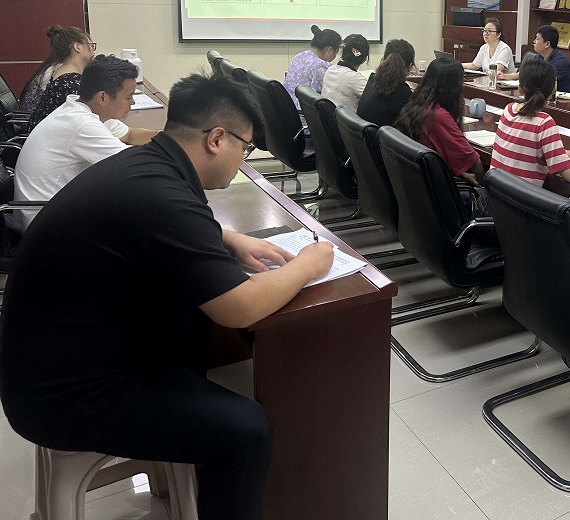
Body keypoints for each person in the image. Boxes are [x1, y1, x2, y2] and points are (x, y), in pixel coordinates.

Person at [0, 73, 334, 520]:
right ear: (217, 139)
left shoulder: (149, 165)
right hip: (61, 396)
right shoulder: (162, 193)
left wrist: (231, 240)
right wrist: (308, 264)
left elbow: (166, 225)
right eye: (246, 147)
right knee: (246, 431)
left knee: (193, 330)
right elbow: (240, 306)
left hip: (54, 359)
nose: (243, 159)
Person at [12, 55, 158, 231]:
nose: (133, 102)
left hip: (57, 209)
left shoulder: (85, 107)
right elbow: (133, 165)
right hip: (46, 225)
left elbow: (131, 135)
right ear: (103, 97)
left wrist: (174, 137)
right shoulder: (81, 124)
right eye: (128, 97)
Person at [491, 58, 570, 186]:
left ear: (520, 88)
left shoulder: (509, 110)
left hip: (495, 194)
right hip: (521, 198)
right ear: (554, 90)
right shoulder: (544, 123)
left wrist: (562, 153)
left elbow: (526, 148)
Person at [395, 56, 484, 187]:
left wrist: (463, 174)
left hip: (414, 184)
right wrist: (485, 186)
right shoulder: (438, 116)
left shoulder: (417, 104)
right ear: (454, 87)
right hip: (433, 187)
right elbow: (474, 161)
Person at [26, 26, 97, 130]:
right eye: (91, 45)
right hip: (50, 135)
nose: (94, 51)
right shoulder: (70, 82)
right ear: (77, 47)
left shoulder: (63, 72)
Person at [357, 38, 415, 127]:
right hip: (382, 135)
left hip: (366, 134)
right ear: (409, 67)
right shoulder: (404, 93)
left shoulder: (372, 81)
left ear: (383, 60)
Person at [283, 25, 342, 110]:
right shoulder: (320, 66)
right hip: (304, 113)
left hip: (288, 109)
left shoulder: (299, 56)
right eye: (336, 52)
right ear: (329, 50)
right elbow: (326, 95)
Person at [501, 25, 570, 93]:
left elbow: (544, 81)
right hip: (541, 95)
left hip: (560, 99)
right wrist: (504, 76)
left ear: (547, 44)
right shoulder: (539, 57)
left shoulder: (560, 61)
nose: (534, 41)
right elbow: (526, 73)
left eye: (537, 39)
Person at [321, 33, 370, 112]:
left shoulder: (330, 70)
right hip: (347, 119)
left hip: (330, 118)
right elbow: (375, 99)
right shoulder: (355, 79)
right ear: (364, 59)